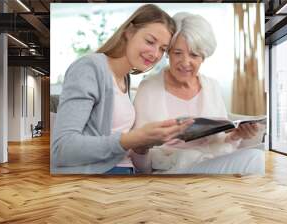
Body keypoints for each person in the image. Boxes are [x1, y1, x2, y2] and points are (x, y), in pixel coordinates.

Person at [51, 4, 193, 174]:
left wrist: (142, 146)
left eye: (162, 49)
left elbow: (127, 154)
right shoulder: (89, 68)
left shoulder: (125, 78)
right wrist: (132, 138)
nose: (155, 54)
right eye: (150, 41)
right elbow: (61, 149)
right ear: (129, 31)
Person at [130, 12, 265, 174]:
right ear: (168, 53)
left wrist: (237, 135)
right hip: (170, 170)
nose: (185, 62)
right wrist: (142, 147)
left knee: (261, 153)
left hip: (208, 164)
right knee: (255, 158)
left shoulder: (212, 87)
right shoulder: (149, 88)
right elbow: (139, 160)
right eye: (177, 53)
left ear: (204, 57)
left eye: (194, 54)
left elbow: (220, 143)